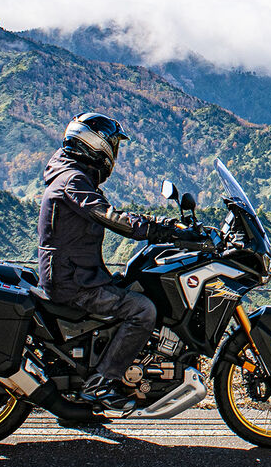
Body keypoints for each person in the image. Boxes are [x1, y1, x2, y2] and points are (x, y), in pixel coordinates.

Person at [37, 112, 180, 411]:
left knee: (135, 287)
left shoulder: (69, 174)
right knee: (142, 309)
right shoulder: (73, 180)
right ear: (95, 145)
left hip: (76, 274)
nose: (114, 153)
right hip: (74, 282)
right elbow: (109, 216)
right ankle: (102, 383)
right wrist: (157, 228)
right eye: (112, 145)